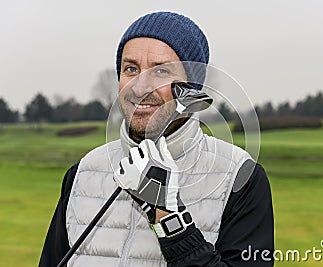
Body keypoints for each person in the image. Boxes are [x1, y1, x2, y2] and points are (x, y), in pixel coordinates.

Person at [39, 11, 274, 267]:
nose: (140, 88)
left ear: (191, 90)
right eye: (131, 69)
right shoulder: (83, 172)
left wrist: (170, 220)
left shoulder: (241, 177)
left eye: (161, 71)